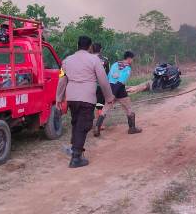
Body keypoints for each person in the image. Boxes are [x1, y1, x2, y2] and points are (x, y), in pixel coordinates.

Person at [56, 35, 115, 168]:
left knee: (76, 123)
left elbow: (62, 79)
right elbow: (103, 80)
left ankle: (76, 151)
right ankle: (76, 158)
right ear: (89, 47)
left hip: (71, 98)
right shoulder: (94, 60)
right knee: (83, 126)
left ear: (77, 46)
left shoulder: (66, 61)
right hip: (87, 98)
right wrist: (109, 97)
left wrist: (58, 98)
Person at [95, 51, 142, 136]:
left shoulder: (114, 64)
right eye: (132, 59)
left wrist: (110, 93)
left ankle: (97, 128)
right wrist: (114, 94)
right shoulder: (127, 68)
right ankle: (132, 128)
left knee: (105, 108)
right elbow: (120, 82)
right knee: (128, 108)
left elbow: (108, 77)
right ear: (129, 58)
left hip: (110, 88)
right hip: (119, 91)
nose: (132, 61)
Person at [90, 42, 109, 136]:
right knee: (100, 104)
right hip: (101, 86)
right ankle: (99, 125)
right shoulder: (105, 60)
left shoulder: (88, 59)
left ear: (92, 49)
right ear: (100, 49)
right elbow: (107, 74)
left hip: (89, 85)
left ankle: (89, 124)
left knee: (89, 104)